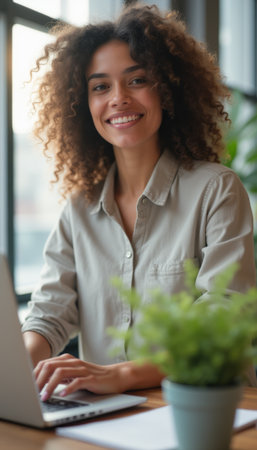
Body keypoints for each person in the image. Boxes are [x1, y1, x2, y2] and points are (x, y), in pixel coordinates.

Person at [22, 3, 257, 401]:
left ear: (167, 90)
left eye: (137, 80)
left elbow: (219, 320)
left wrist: (121, 375)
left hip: (201, 409)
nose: (118, 98)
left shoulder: (216, 190)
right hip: (106, 418)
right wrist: (19, 371)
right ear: (84, 105)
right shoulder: (79, 209)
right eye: (100, 86)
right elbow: (50, 312)